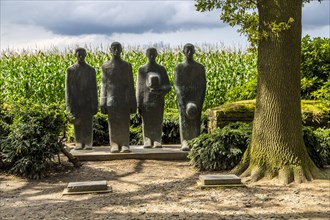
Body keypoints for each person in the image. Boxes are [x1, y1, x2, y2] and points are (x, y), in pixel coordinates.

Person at [100, 42, 137, 153]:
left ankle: (125, 143)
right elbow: (104, 85)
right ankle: (114, 143)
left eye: (118, 48)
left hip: (124, 99)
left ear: (121, 50)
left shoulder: (127, 66)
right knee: (113, 122)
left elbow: (131, 84)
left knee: (124, 122)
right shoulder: (106, 67)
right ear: (110, 50)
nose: (116, 50)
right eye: (114, 48)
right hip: (111, 99)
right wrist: (103, 101)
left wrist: (133, 102)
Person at [136, 48, 171, 148]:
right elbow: (139, 88)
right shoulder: (142, 70)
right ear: (146, 55)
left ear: (156, 55)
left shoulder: (161, 69)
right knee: (146, 121)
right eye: (150, 54)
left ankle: (157, 139)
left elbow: (168, 86)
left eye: (153, 54)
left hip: (158, 100)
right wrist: (138, 103)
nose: (151, 56)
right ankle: (147, 139)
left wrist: (161, 89)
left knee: (157, 120)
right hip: (146, 100)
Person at [174, 43, 206, 151]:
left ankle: (195, 140)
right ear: (183, 52)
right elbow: (177, 85)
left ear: (194, 52)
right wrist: (181, 100)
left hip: (196, 97)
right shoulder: (179, 67)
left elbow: (202, 85)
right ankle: (185, 141)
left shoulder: (200, 68)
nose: (189, 52)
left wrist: (199, 100)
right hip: (184, 97)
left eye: (191, 50)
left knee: (196, 119)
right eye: (187, 50)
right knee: (184, 119)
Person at [65, 47, 98, 150]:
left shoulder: (91, 70)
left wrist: (94, 104)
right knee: (77, 123)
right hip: (75, 102)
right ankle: (79, 142)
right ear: (75, 55)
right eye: (79, 55)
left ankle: (88, 142)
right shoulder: (70, 70)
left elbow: (94, 88)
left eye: (82, 55)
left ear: (85, 56)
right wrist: (68, 106)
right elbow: (68, 90)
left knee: (88, 123)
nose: (81, 57)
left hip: (87, 101)